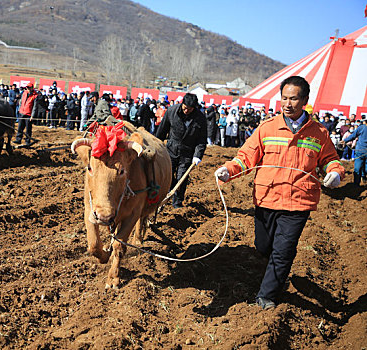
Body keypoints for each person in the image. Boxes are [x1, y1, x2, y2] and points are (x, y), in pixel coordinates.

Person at [214, 76, 345, 310]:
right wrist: (228, 171)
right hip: (267, 198)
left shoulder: (319, 133)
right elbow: (246, 157)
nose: (287, 103)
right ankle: (272, 273)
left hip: (298, 202)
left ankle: (268, 295)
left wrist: (335, 173)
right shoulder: (267, 128)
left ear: (305, 100)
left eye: (293, 98)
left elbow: (331, 160)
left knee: (284, 250)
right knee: (263, 246)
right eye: (284, 98)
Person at [156, 93, 207, 208]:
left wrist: (198, 155)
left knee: (181, 178)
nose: (186, 111)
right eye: (185, 108)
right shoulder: (172, 111)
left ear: (194, 108)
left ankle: (177, 203)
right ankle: (162, 198)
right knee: (167, 176)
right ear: (182, 104)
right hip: (171, 149)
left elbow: (201, 139)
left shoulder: (200, 118)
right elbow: (162, 130)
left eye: (189, 109)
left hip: (187, 153)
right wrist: (156, 145)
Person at [342, 120, 366, 186]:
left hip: (363, 151)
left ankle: (364, 176)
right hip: (360, 151)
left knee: (366, 169)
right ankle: (356, 184)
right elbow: (353, 135)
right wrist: (345, 141)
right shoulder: (361, 128)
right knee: (357, 169)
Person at [15, 82, 38, 147]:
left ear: (32, 88)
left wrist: (32, 116)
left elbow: (35, 107)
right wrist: (19, 110)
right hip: (22, 112)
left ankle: (27, 141)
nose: (27, 89)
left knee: (28, 129)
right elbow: (21, 102)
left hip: (29, 114)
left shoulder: (35, 96)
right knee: (20, 127)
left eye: (29, 87)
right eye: (27, 87)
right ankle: (18, 139)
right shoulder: (24, 93)